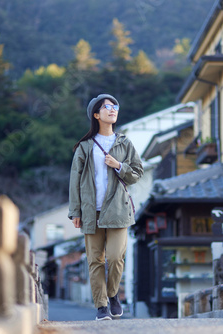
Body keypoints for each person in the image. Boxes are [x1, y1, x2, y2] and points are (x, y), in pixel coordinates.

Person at [68, 93, 143, 321]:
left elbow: (137, 173)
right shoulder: (85, 147)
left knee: (115, 257)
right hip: (91, 211)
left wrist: (119, 165)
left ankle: (113, 296)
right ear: (96, 114)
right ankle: (101, 307)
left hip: (118, 209)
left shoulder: (124, 143)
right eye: (107, 107)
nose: (112, 109)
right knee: (94, 261)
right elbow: (74, 180)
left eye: (115, 106)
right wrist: (75, 211)